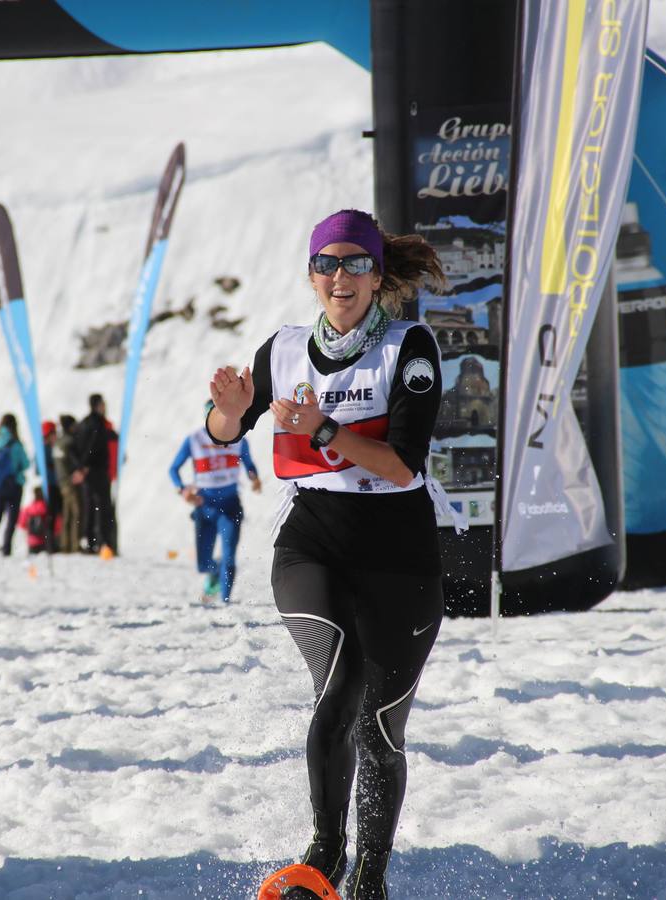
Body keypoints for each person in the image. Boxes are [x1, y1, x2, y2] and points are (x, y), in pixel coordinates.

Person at [206, 209, 448, 899]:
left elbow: (403, 464)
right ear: (311, 275)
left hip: (400, 553)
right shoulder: (282, 349)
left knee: (379, 726)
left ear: (377, 275)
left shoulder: (411, 346)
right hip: (312, 541)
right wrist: (228, 409)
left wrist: (325, 428)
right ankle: (323, 854)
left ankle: (370, 879)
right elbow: (226, 430)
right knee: (340, 690)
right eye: (326, 264)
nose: (339, 278)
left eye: (354, 264)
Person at [169, 401, 261, 604]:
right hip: (205, 506)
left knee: (229, 558)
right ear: (208, 419)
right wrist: (183, 490)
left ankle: (225, 603)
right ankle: (214, 573)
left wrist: (254, 477)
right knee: (203, 564)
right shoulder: (194, 439)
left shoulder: (239, 439)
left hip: (230, 506)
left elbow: (249, 464)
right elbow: (173, 469)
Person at [72, 394, 117, 554]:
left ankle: (90, 541)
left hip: (87, 472)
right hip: (97, 470)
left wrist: (79, 467)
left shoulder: (82, 423)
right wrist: (86, 465)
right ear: (98, 405)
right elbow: (94, 445)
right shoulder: (97, 424)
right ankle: (103, 542)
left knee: (90, 507)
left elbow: (74, 446)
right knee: (102, 508)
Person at [0, 413, 29, 557]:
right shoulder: (15, 443)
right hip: (13, 485)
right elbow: (25, 463)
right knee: (12, 517)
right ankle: (6, 547)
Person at [54, 414, 82, 554]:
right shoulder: (70, 442)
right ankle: (75, 544)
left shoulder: (58, 442)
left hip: (61, 481)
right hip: (71, 481)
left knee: (66, 514)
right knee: (76, 513)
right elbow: (75, 461)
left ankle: (64, 544)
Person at [40, 420, 61, 551]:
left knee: (54, 516)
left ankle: (53, 542)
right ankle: (49, 544)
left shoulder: (53, 448)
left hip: (55, 485)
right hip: (50, 486)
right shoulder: (44, 449)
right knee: (50, 516)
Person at [17, 486, 54, 555]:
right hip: (45, 542)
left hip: (32, 542)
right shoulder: (47, 508)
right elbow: (57, 525)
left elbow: (21, 523)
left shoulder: (28, 508)